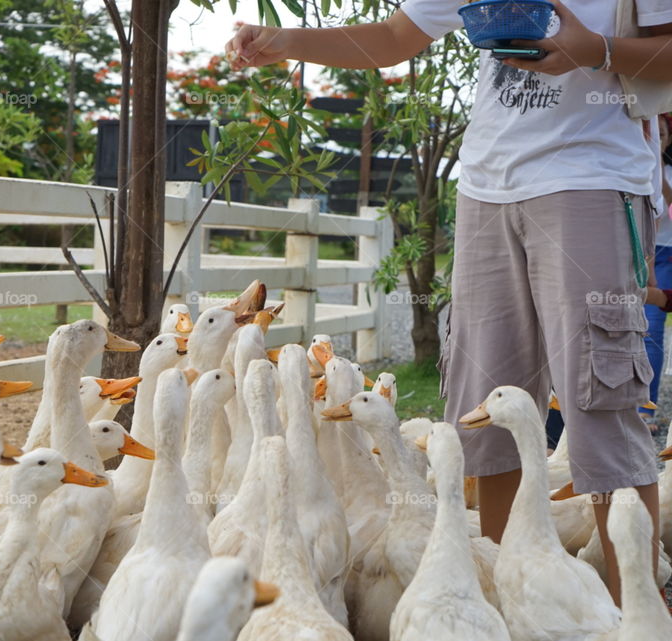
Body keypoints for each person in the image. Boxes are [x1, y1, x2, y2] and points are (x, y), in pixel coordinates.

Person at [227, 0, 672, 604]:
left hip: (592, 181)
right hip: (484, 188)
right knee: (490, 410)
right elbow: (393, 37)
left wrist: (596, 52)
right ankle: (513, 607)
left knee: (600, 404)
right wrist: (286, 42)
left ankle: (636, 616)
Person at [643, 114, 672, 430]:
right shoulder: (632, 163)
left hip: (665, 255)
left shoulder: (665, 171)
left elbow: (669, 204)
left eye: (661, 133)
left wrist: (657, 169)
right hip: (634, 252)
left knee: (652, 328)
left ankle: (645, 409)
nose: (656, 137)